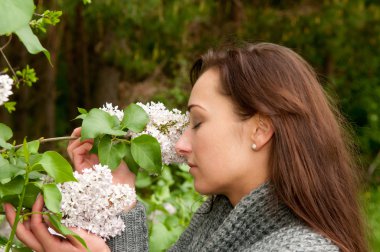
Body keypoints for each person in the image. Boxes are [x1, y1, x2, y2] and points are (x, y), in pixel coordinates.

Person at [4, 42, 368, 252]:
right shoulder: (217, 222)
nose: (179, 145)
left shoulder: (299, 250)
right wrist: (118, 198)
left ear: (260, 130)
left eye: (197, 122)